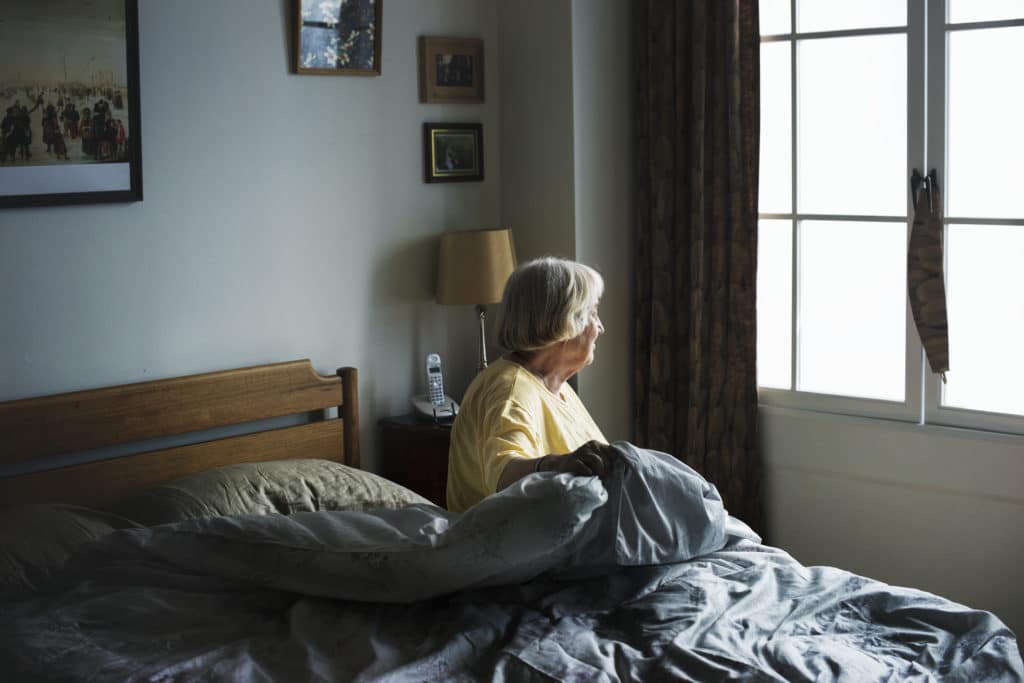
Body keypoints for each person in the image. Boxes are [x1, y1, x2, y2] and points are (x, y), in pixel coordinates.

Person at [445, 257, 618, 513]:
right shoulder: (511, 389)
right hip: (508, 545)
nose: (600, 327)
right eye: (593, 313)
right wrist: (558, 465)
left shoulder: (556, 387)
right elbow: (504, 475)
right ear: (564, 320)